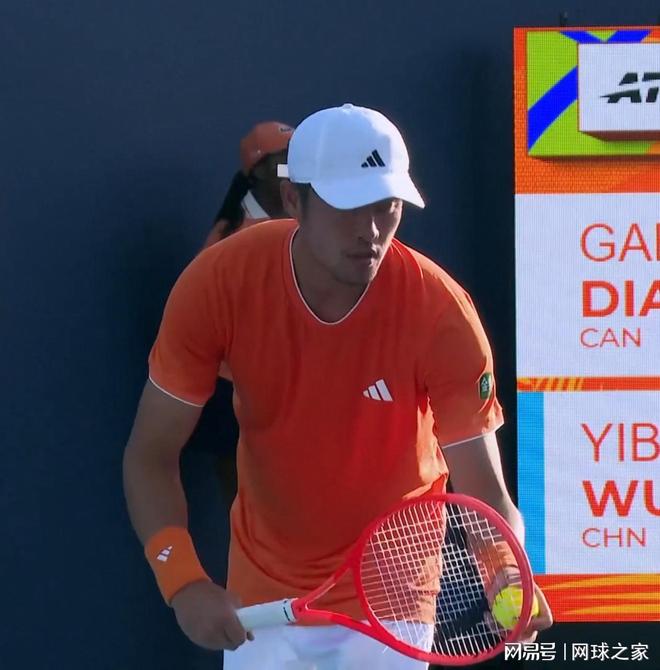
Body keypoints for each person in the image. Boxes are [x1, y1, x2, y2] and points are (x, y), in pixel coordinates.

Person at [123, 103, 552, 670]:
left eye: (386, 206)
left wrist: (505, 570)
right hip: (262, 597)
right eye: (348, 207)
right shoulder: (217, 284)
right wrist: (182, 581)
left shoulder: (441, 312)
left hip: (394, 598)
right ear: (293, 199)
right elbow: (150, 455)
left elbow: (483, 489)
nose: (369, 230)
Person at [199, 120, 294, 508]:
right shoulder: (235, 242)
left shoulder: (304, 226)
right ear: (257, 172)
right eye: (284, 161)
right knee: (248, 510)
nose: (295, 170)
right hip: (235, 397)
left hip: (282, 396)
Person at [204, 121, 294, 247]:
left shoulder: (307, 217)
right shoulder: (228, 237)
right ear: (260, 171)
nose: (296, 170)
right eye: (287, 162)